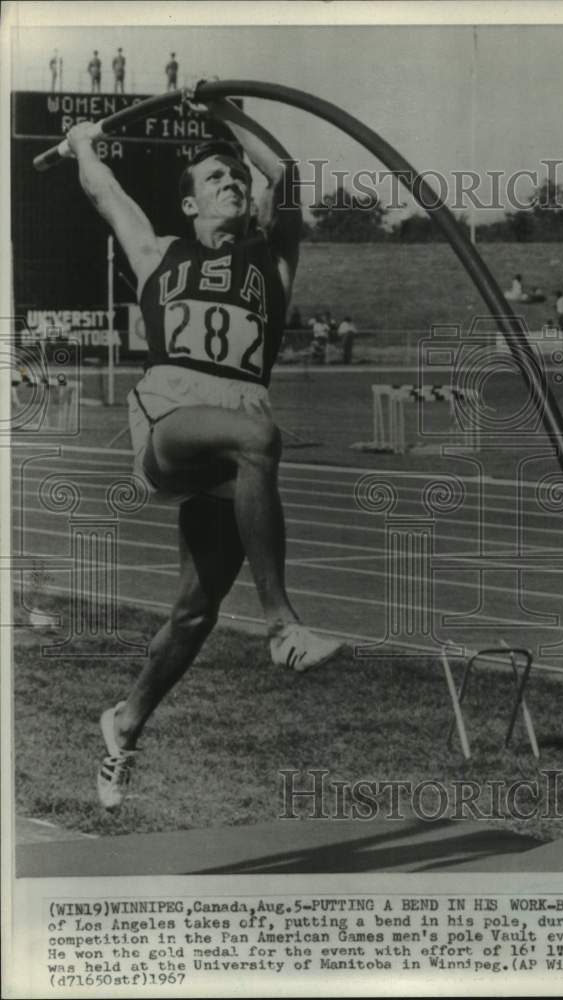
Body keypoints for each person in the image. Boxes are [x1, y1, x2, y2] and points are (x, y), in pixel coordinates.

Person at [65, 99, 343, 811]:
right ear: (188, 203)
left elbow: (284, 175)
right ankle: (282, 626)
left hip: (234, 443)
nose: (233, 182)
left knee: (195, 611)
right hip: (171, 425)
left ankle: (123, 724)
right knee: (259, 439)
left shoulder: (271, 264)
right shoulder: (159, 253)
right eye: (216, 176)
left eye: (236, 176)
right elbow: (103, 190)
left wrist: (225, 120)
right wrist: (83, 142)